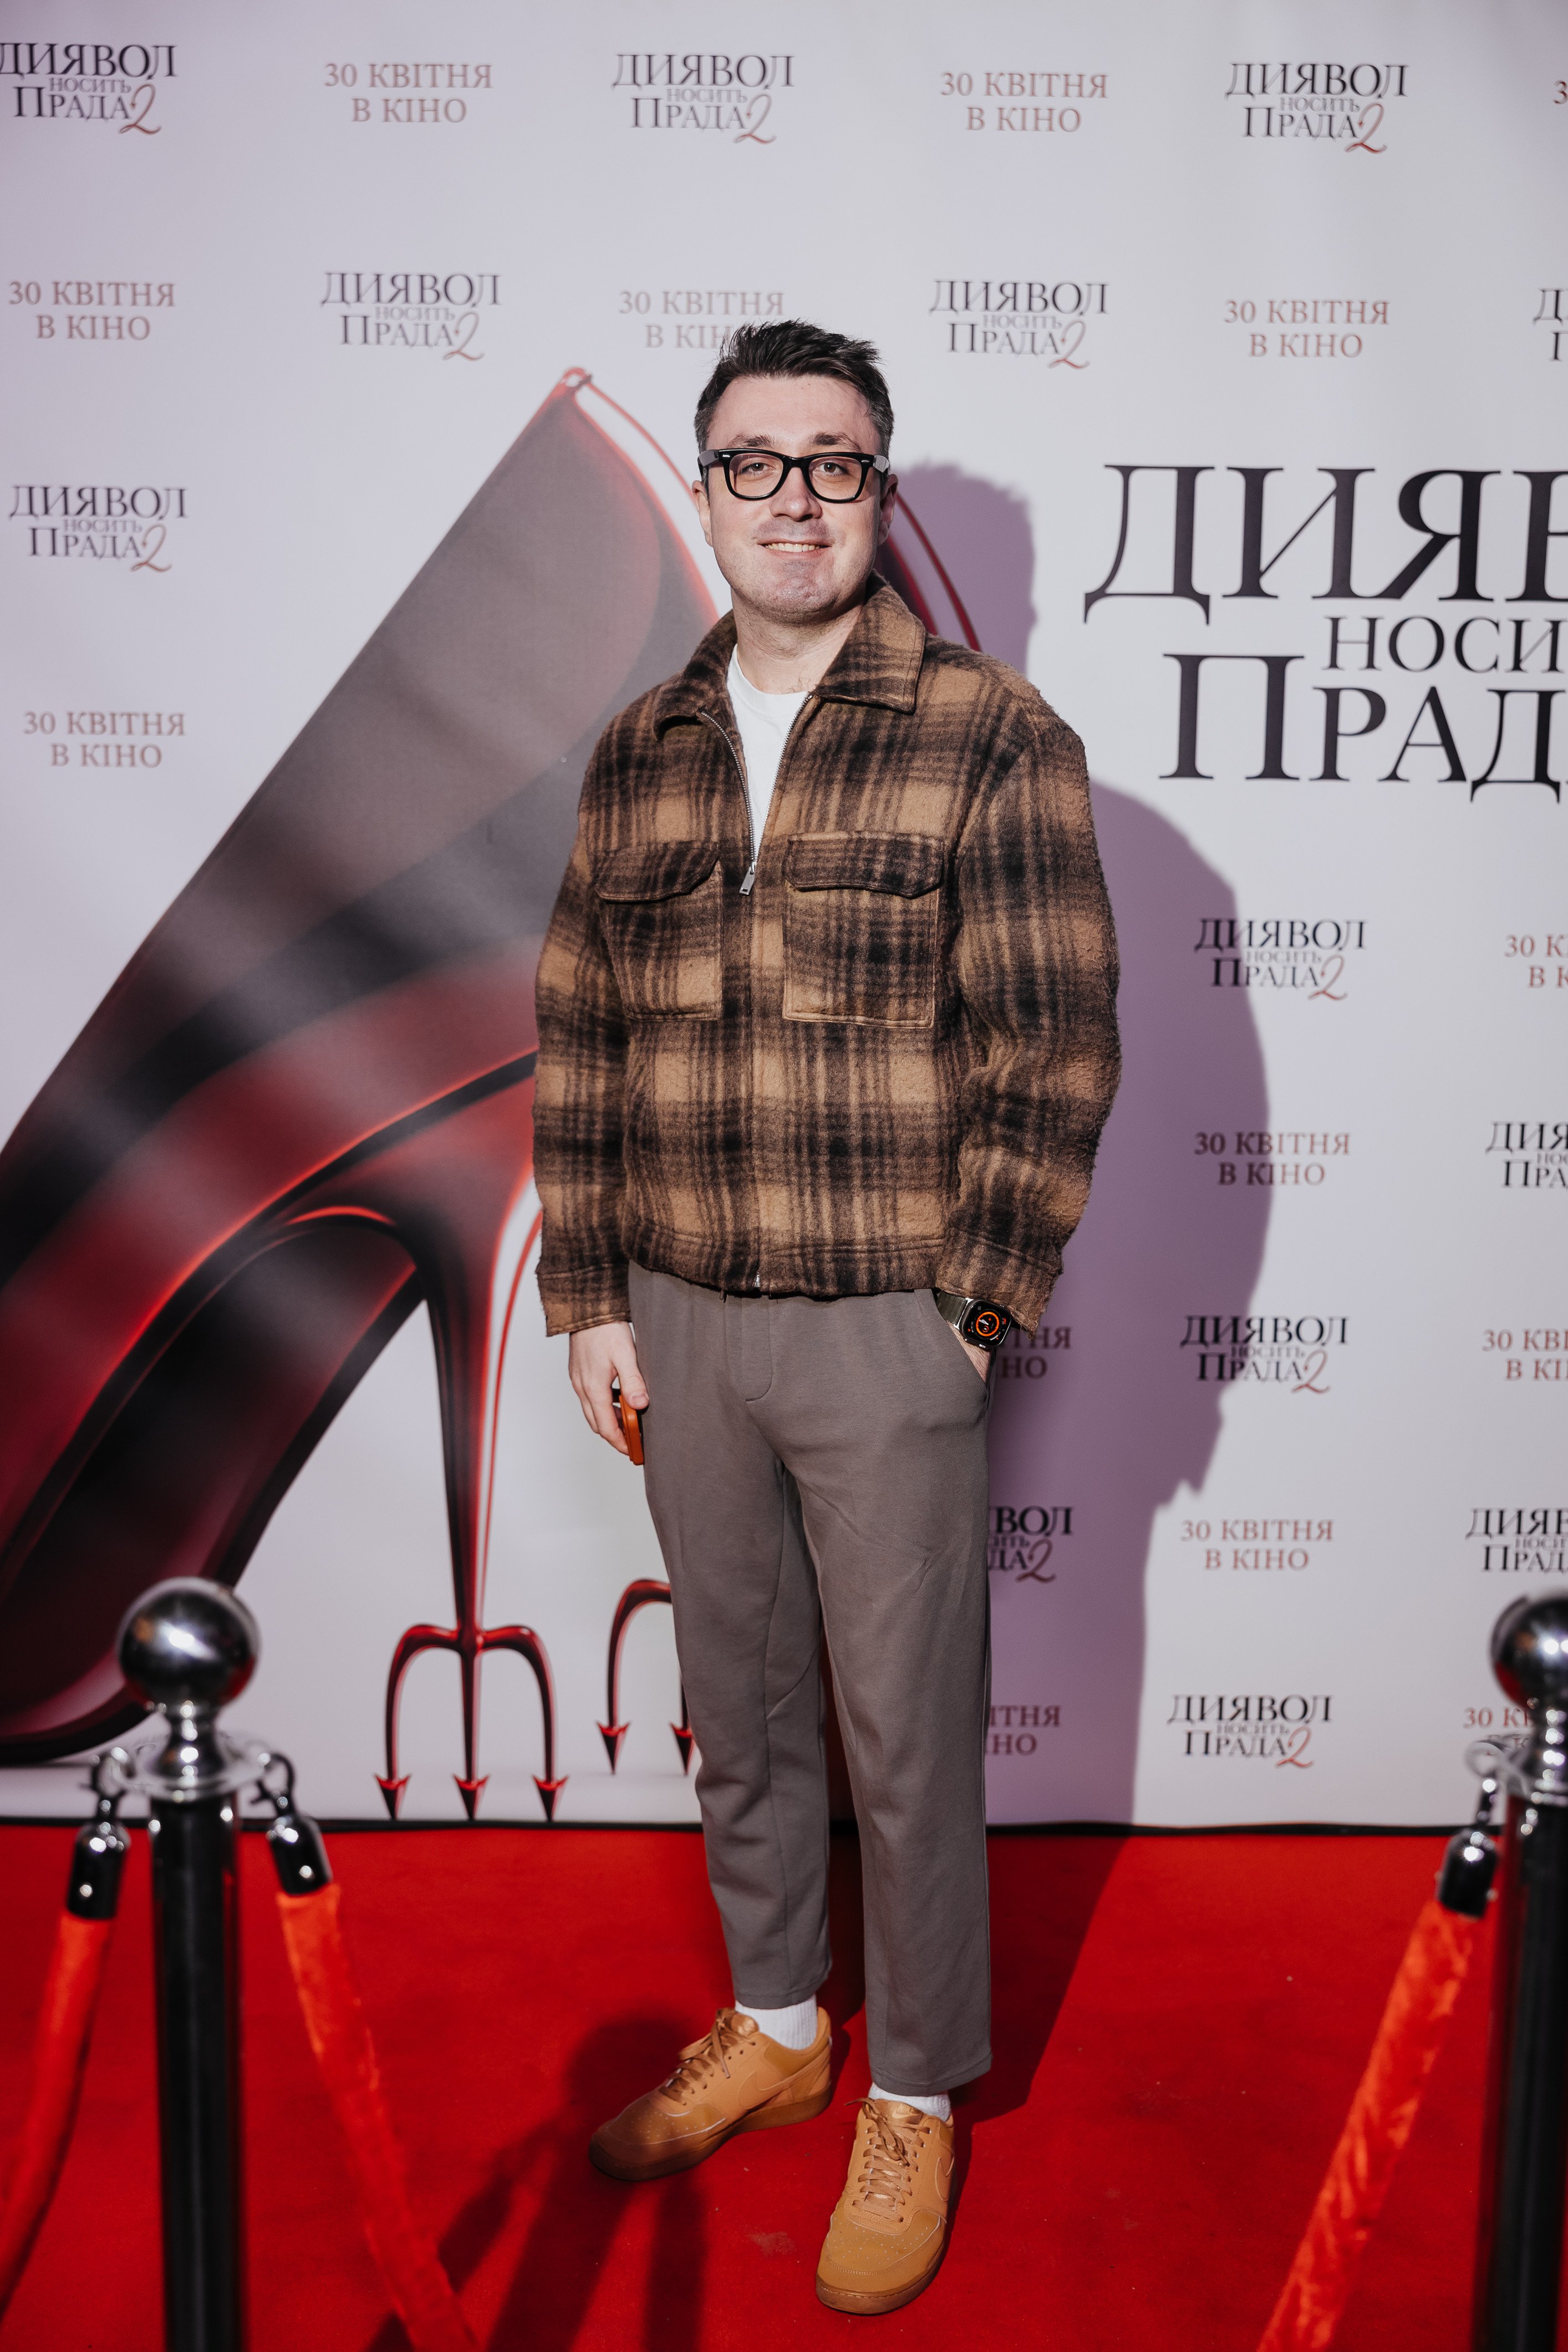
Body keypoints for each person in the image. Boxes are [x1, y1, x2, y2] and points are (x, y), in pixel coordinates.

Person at [533, 319, 1119, 2315]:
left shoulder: (990, 732)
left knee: (905, 1736)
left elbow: (1053, 1042)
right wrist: (591, 1292)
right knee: (746, 1708)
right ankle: (779, 2021)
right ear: (704, 492)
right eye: (755, 462)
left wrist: (974, 1305)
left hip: (889, 1321)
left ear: (878, 489)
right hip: (679, 1315)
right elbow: (581, 1034)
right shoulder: (640, 746)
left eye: (833, 461)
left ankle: (918, 2090)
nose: (793, 498)